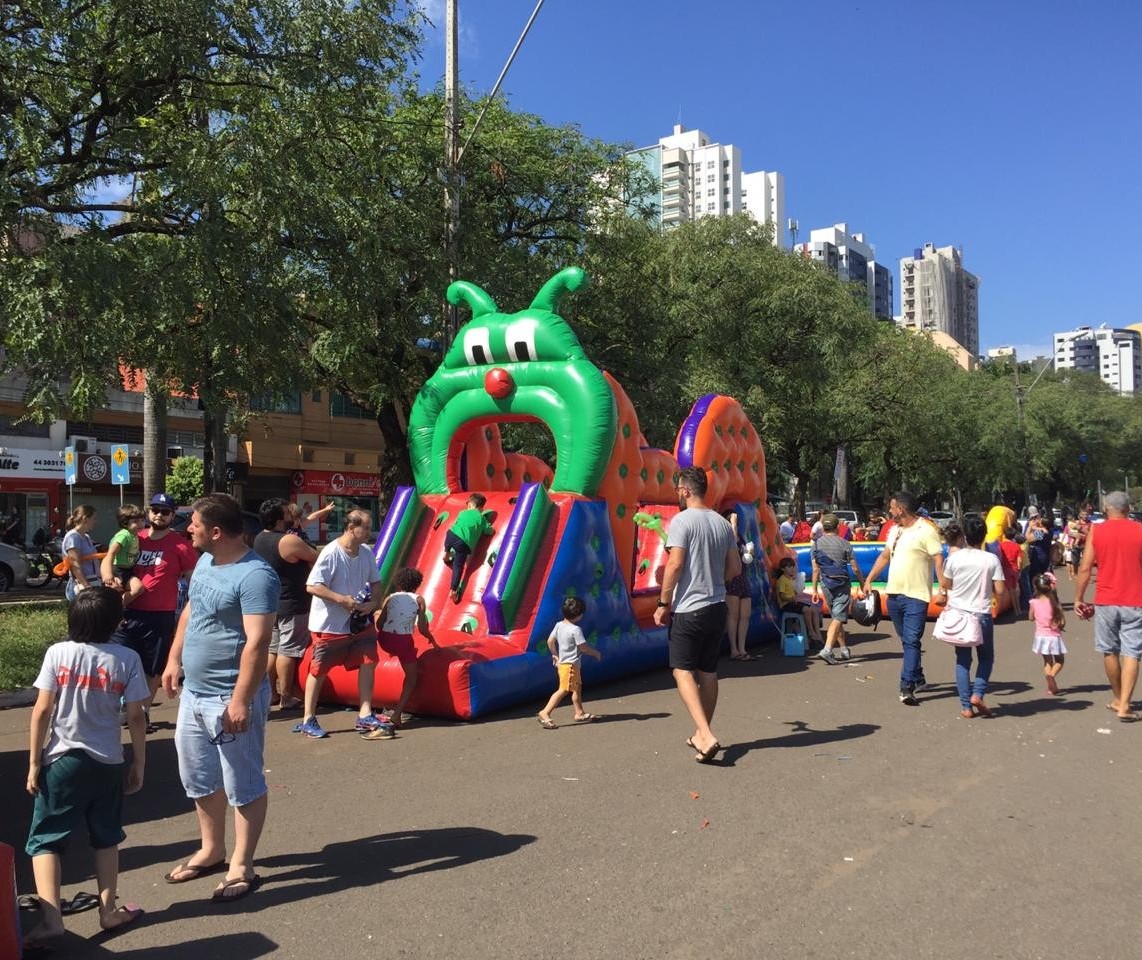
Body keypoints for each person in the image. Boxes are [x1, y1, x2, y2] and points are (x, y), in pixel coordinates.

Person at [161, 494, 279, 902]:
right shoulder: (207, 562)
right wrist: (175, 658)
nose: (187, 528)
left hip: (229, 696)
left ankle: (242, 864)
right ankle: (212, 850)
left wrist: (241, 700)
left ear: (215, 531)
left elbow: (258, 642)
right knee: (198, 778)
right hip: (194, 693)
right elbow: (192, 611)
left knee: (241, 782)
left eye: (192, 523)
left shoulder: (256, 576)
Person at [24, 587, 148, 945]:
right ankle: (109, 911)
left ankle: (51, 919)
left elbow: (43, 710)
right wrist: (138, 761)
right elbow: (136, 716)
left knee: (46, 839)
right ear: (116, 623)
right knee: (107, 837)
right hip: (108, 760)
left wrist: (34, 762)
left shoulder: (58, 653)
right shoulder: (126, 658)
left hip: (62, 760)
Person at [655, 468, 740, 764]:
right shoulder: (721, 524)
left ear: (686, 490)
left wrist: (663, 602)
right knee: (708, 672)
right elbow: (735, 569)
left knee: (681, 670)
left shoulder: (681, 521)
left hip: (689, 608)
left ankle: (705, 733)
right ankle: (701, 734)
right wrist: (715, 580)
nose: (677, 494)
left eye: (679, 489)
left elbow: (675, 564)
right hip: (717, 605)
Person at [296, 509, 386, 740]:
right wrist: (341, 599)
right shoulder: (331, 553)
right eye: (364, 527)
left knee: (369, 661)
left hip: (357, 621)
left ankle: (365, 713)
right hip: (329, 624)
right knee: (319, 669)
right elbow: (312, 585)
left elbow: (376, 582)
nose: (368, 532)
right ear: (350, 527)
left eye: (369, 527)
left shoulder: (366, 553)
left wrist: (374, 602)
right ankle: (308, 718)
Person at [110, 493, 199, 723]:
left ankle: (143, 713)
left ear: (173, 515)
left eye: (165, 511)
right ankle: (121, 705)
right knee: (119, 661)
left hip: (160, 615)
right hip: (127, 613)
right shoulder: (134, 537)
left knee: (152, 667)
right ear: (149, 512)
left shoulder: (181, 545)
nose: (159, 515)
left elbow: (195, 583)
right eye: (155, 510)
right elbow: (112, 560)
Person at [862, 491, 946, 706]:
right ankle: (917, 675)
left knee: (911, 640)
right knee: (906, 640)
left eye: (891, 507)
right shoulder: (894, 530)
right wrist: (869, 578)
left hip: (916, 596)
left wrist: (944, 590)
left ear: (901, 509)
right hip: (894, 595)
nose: (889, 511)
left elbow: (938, 560)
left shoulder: (926, 530)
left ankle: (906, 686)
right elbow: (884, 556)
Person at [1074, 491, 1142, 722]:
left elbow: (1085, 567)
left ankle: (1117, 698)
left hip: (1106, 599)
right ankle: (1124, 705)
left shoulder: (1097, 530)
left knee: (1109, 650)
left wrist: (1079, 598)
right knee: (1132, 652)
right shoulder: (1140, 530)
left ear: (1106, 507)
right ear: (1128, 508)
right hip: (1135, 599)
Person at [937, 517, 1006, 719]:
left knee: (963, 660)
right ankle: (978, 693)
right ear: (984, 535)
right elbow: (1000, 590)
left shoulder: (953, 559)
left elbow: (947, 584)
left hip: (959, 614)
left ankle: (966, 706)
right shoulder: (991, 559)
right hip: (981, 614)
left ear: (965, 536)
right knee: (986, 658)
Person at [253, 498, 318, 712]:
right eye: (287, 514)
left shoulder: (260, 538)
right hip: (292, 602)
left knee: (272, 649)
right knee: (288, 651)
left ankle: (271, 692)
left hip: (271, 602)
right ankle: (287, 696)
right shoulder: (289, 540)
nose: (291, 516)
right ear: (279, 520)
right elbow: (314, 556)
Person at [373, 567, 440, 730]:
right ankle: (397, 714)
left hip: (385, 639)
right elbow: (423, 628)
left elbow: (380, 623)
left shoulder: (390, 597)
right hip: (402, 642)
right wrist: (433, 640)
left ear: (399, 583)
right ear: (417, 584)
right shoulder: (419, 600)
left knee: (378, 613)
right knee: (412, 678)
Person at [536, 596, 602, 729]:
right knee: (564, 689)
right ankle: (545, 712)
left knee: (577, 688)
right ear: (578, 615)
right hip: (570, 665)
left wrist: (555, 655)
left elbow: (550, 641)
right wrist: (595, 653)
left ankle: (579, 713)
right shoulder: (575, 630)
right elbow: (583, 647)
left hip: (564, 664)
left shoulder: (559, 625)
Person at [810, 514, 866, 664]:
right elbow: (854, 568)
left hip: (825, 583)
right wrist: (862, 583)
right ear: (837, 527)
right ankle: (827, 650)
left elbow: (815, 569)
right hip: (842, 584)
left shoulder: (815, 545)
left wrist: (814, 589)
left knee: (837, 615)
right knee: (838, 617)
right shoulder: (845, 544)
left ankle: (843, 649)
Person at [443, 493, 496, 603]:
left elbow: (457, 524)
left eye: (467, 504)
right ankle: (453, 590)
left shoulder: (462, 512)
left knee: (449, 541)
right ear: (481, 508)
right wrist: (487, 526)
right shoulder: (481, 519)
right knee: (458, 566)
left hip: (451, 534)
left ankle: (446, 554)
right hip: (463, 543)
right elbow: (490, 531)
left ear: (471, 504)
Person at [722, 509, 755, 661]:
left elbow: (742, 552)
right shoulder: (727, 536)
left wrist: (750, 553)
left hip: (743, 578)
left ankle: (742, 648)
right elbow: (732, 544)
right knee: (733, 615)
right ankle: (734, 649)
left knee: (745, 615)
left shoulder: (741, 537)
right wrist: (732, 523)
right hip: (732, 578)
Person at [99, 504, 147, 606]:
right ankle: (115, 607)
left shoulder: (135, 535)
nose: (140, 524)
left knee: (138, 588)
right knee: (121, 590)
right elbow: (110, 554)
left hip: (128, 570)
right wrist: (108, 574)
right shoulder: (124, 536)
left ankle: (118, 606)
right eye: (135, 521)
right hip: (118, 569)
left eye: (142, 520)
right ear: (125, 523)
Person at [1029, 572, 1067, 695]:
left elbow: (1030, 617)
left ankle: (1051, 687)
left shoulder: (1033, 602)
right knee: (1060, 660)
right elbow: (1062, 621)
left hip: (1040, 636)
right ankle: (1052, 676)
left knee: (1047, 662)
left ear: (1036, 588)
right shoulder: (1054, 603)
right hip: (1053, 636)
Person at [775, 556, 824, 646]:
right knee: (806, 610)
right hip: (786, 604)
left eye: (793, 567)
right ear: (782, 569)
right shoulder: (782, 580)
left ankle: (818, 633)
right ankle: (811, 632)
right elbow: (782, 596)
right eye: (789, 567)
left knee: (815, 609)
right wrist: (792, 598)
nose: (792, 569)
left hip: (794, 602)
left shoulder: (790, 579)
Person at [62, 505, 100, 602]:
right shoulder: (73, 537)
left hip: (92, 581)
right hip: (81, 585)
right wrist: (86, 586)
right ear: (85, 519)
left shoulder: (86, 537)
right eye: (94, 519)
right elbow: (75, 564)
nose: (95, 522)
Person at [998, 525, 1024, 616]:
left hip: (1006, 569)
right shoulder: (1017, 546)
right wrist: (1019, 570)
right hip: (1015, 569)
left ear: (1004, 535)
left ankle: (1016, 610)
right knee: (1015, 589)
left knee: (1011, 590)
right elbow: (1020, 561)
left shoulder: (1000, 545)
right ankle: (1019, 609)